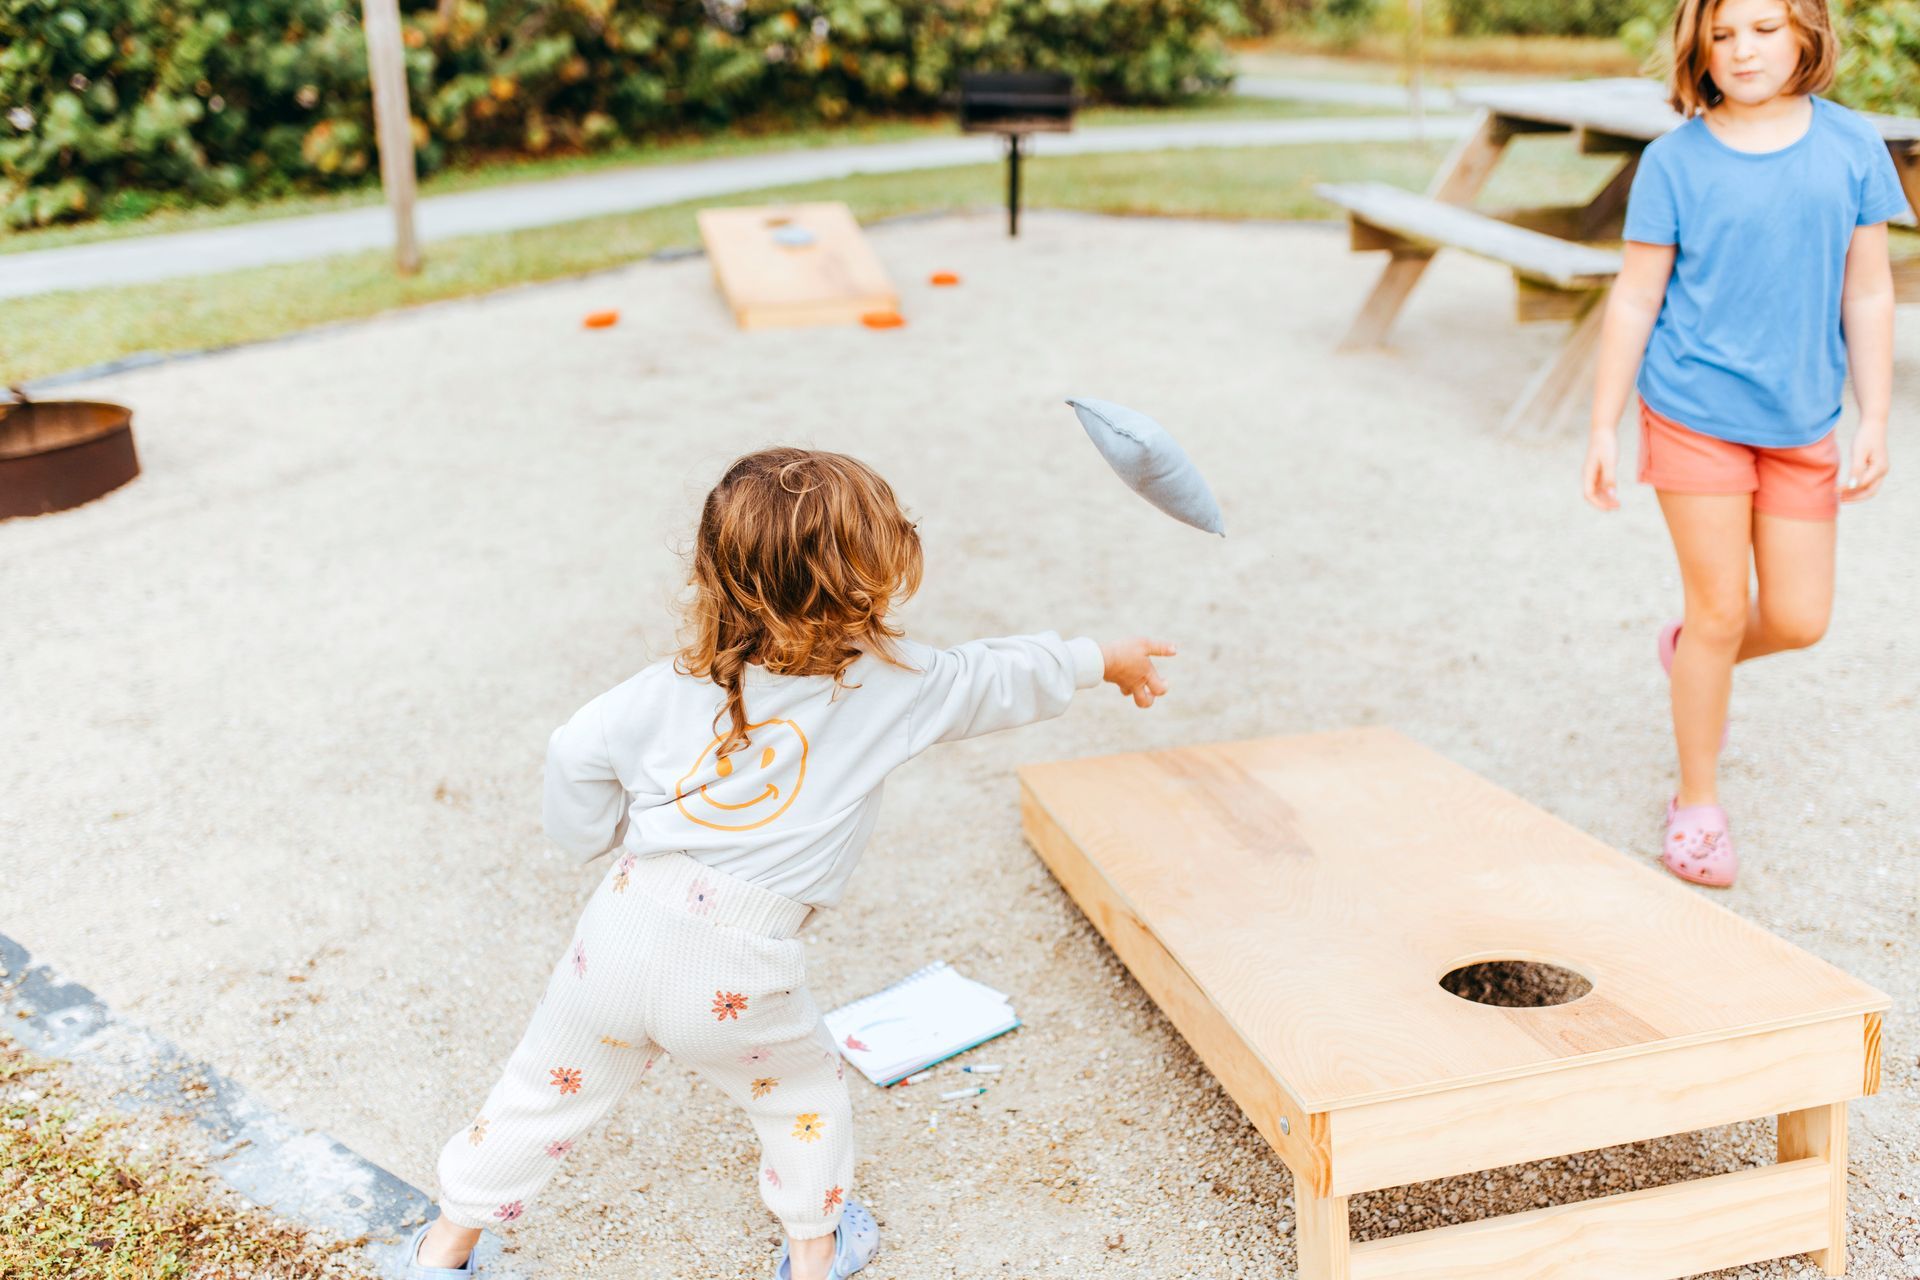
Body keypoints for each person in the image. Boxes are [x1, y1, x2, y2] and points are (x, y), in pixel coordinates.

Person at [405, 447, 1176, 1278]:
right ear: (872, 574)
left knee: (542, 1092)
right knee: (801, 1099)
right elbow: (997, 675)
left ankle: (445, 1249)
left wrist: (589, 833)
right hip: (739, 963)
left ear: (716, 572)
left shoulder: (663, 687)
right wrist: (1103, 657)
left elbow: (573, 750)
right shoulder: (894, 683)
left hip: (620, 932)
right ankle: (814, 1253)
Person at [1582, 0, 1902, 886]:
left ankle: (1689, 654)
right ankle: (1696, 803)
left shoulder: (1850, 147)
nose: (1742, 49)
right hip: (1693, 412)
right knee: (1720, 610)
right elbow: (1636, 299)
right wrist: (1605, 423)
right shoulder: (1673, 162)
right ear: (1699, 48)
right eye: (1722, 35)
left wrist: (1874, 414)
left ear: (1805, 31)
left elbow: (1868, 292)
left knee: (1799, 619)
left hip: (1803, 423)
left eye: (1763, 27)